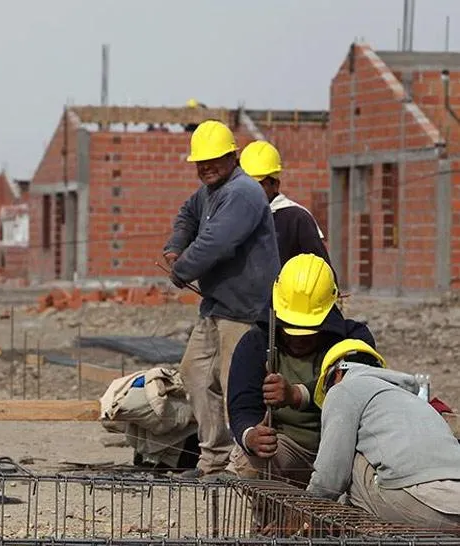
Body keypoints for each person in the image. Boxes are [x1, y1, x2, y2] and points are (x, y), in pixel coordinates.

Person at [162, 119, 280, 479]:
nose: (206, 167)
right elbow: (187, 215)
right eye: (200, 162)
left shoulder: (243, 192)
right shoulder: (211, 191)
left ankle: (241, 466)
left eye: (214, 159)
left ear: (233, 156)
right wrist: (173, 248)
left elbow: (216, 241)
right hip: (217, 307)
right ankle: (213, 461)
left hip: (245, 311)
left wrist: (182, 269)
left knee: (236, 386)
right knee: (194, 374)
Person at [227, 254, 374, 486]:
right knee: (248, 463)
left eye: (309, 329)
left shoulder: (354, 340)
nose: (299, 339)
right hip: (289, 448)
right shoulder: (256, 344)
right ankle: (274, 518)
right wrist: (250, 435)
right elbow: (241, 406)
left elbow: (356, 386)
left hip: (343, 449)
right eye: (290, 326)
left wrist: (296, 395)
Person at [308, 343, 460, 530]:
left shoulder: (344, 388)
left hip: (422, 505)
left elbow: (330, 478)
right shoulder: (415, 401)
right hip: (454, 500)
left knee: (350, 458)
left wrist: (303, 514)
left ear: (337, 373)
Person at [239, 141, 330, 265]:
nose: (251, 190)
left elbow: (321, 271)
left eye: (259, 184)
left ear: (275, 185)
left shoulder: (297, 219)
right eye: (247, 183)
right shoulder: (233, 215)